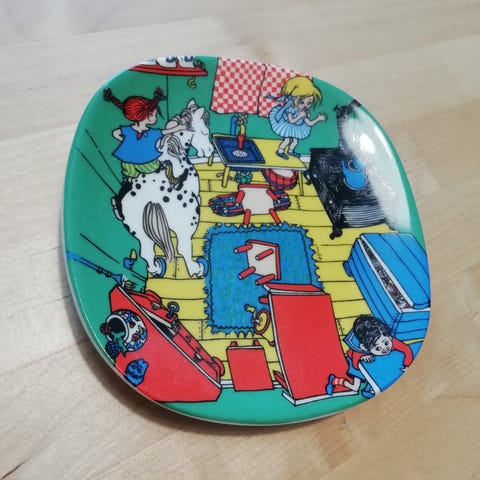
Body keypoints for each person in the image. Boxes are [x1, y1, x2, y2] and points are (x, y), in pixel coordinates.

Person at [103, 87, 185, 220]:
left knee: (127, 184)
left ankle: (118, 201)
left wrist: (126, 143)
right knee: (166, 165)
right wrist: (180, 127)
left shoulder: (128, 130)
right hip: (146, 164)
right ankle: (174, 182)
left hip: (128, 164)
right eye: (154, 114)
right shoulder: (151, 133)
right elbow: (166, 132)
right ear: (147, 116)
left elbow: (115, 133)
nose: (155, 117)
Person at [326, 314, 413, 397]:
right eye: (378, 348)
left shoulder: (391, 341)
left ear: (389, 337)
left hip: (371, 357)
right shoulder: (359, 351)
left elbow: (407, 350)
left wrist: (407, 364)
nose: (385, 348)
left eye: (386, 343)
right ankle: (334, 380)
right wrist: (362, 357)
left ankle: (369, 388)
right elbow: (355, 365)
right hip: (354, 360)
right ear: (365, 348)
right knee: (355, 387)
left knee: (376, 370)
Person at [268, 76, 327, 159]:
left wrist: (318, 119)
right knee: (287, 140)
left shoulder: (305, 112)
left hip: (297, 128)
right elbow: (291, 121)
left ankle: (290, 151)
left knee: (295, 142)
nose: (305, 105)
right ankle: (280, 152)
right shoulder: (291, 109)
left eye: (309, 103)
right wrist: (300, 116)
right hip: (287, 126)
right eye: (302, 102)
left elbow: (309, 123)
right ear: (293, 99)